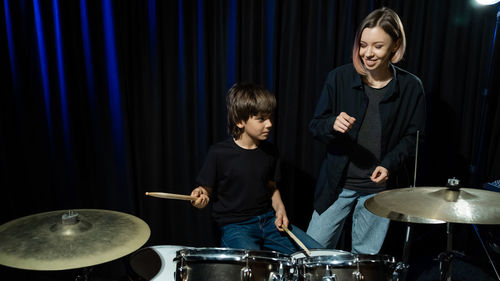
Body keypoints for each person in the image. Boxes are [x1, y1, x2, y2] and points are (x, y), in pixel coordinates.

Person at [306, 7, 426, 254]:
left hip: (377, 192)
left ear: (395, 46)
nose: (367, 53)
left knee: (364, 261)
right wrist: (332, 124)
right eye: (363, 45)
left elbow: (414, 138)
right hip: (336, 186)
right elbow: (315, 126)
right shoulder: (338, 78)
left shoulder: (412, 87)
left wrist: (389, 164)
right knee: (313, 255)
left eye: (378, 46)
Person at [191, 83, 323, 254]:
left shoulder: (270, 151)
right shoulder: (219, 153)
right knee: (254, 265)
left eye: (269, 118)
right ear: (239, 121)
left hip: (268, 221)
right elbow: (205, 191)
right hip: (236, 226)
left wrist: (281, 210)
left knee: (317, 255)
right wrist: (199, 198)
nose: (269, 124)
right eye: (261, 119)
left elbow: (272, 188)